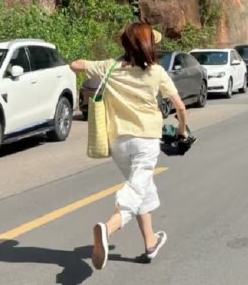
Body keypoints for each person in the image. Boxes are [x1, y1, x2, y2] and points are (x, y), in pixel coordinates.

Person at [71, 22, 188, 269]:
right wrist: (181, 131)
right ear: (149, 45)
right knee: (135, 192)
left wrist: (93, 64)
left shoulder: (110, 68)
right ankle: (108, 228)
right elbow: (180, 107)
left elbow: (77, 65)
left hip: (119, 143)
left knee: (142, 189)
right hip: (145, 141)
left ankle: (150, 242)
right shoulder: (156, 72)